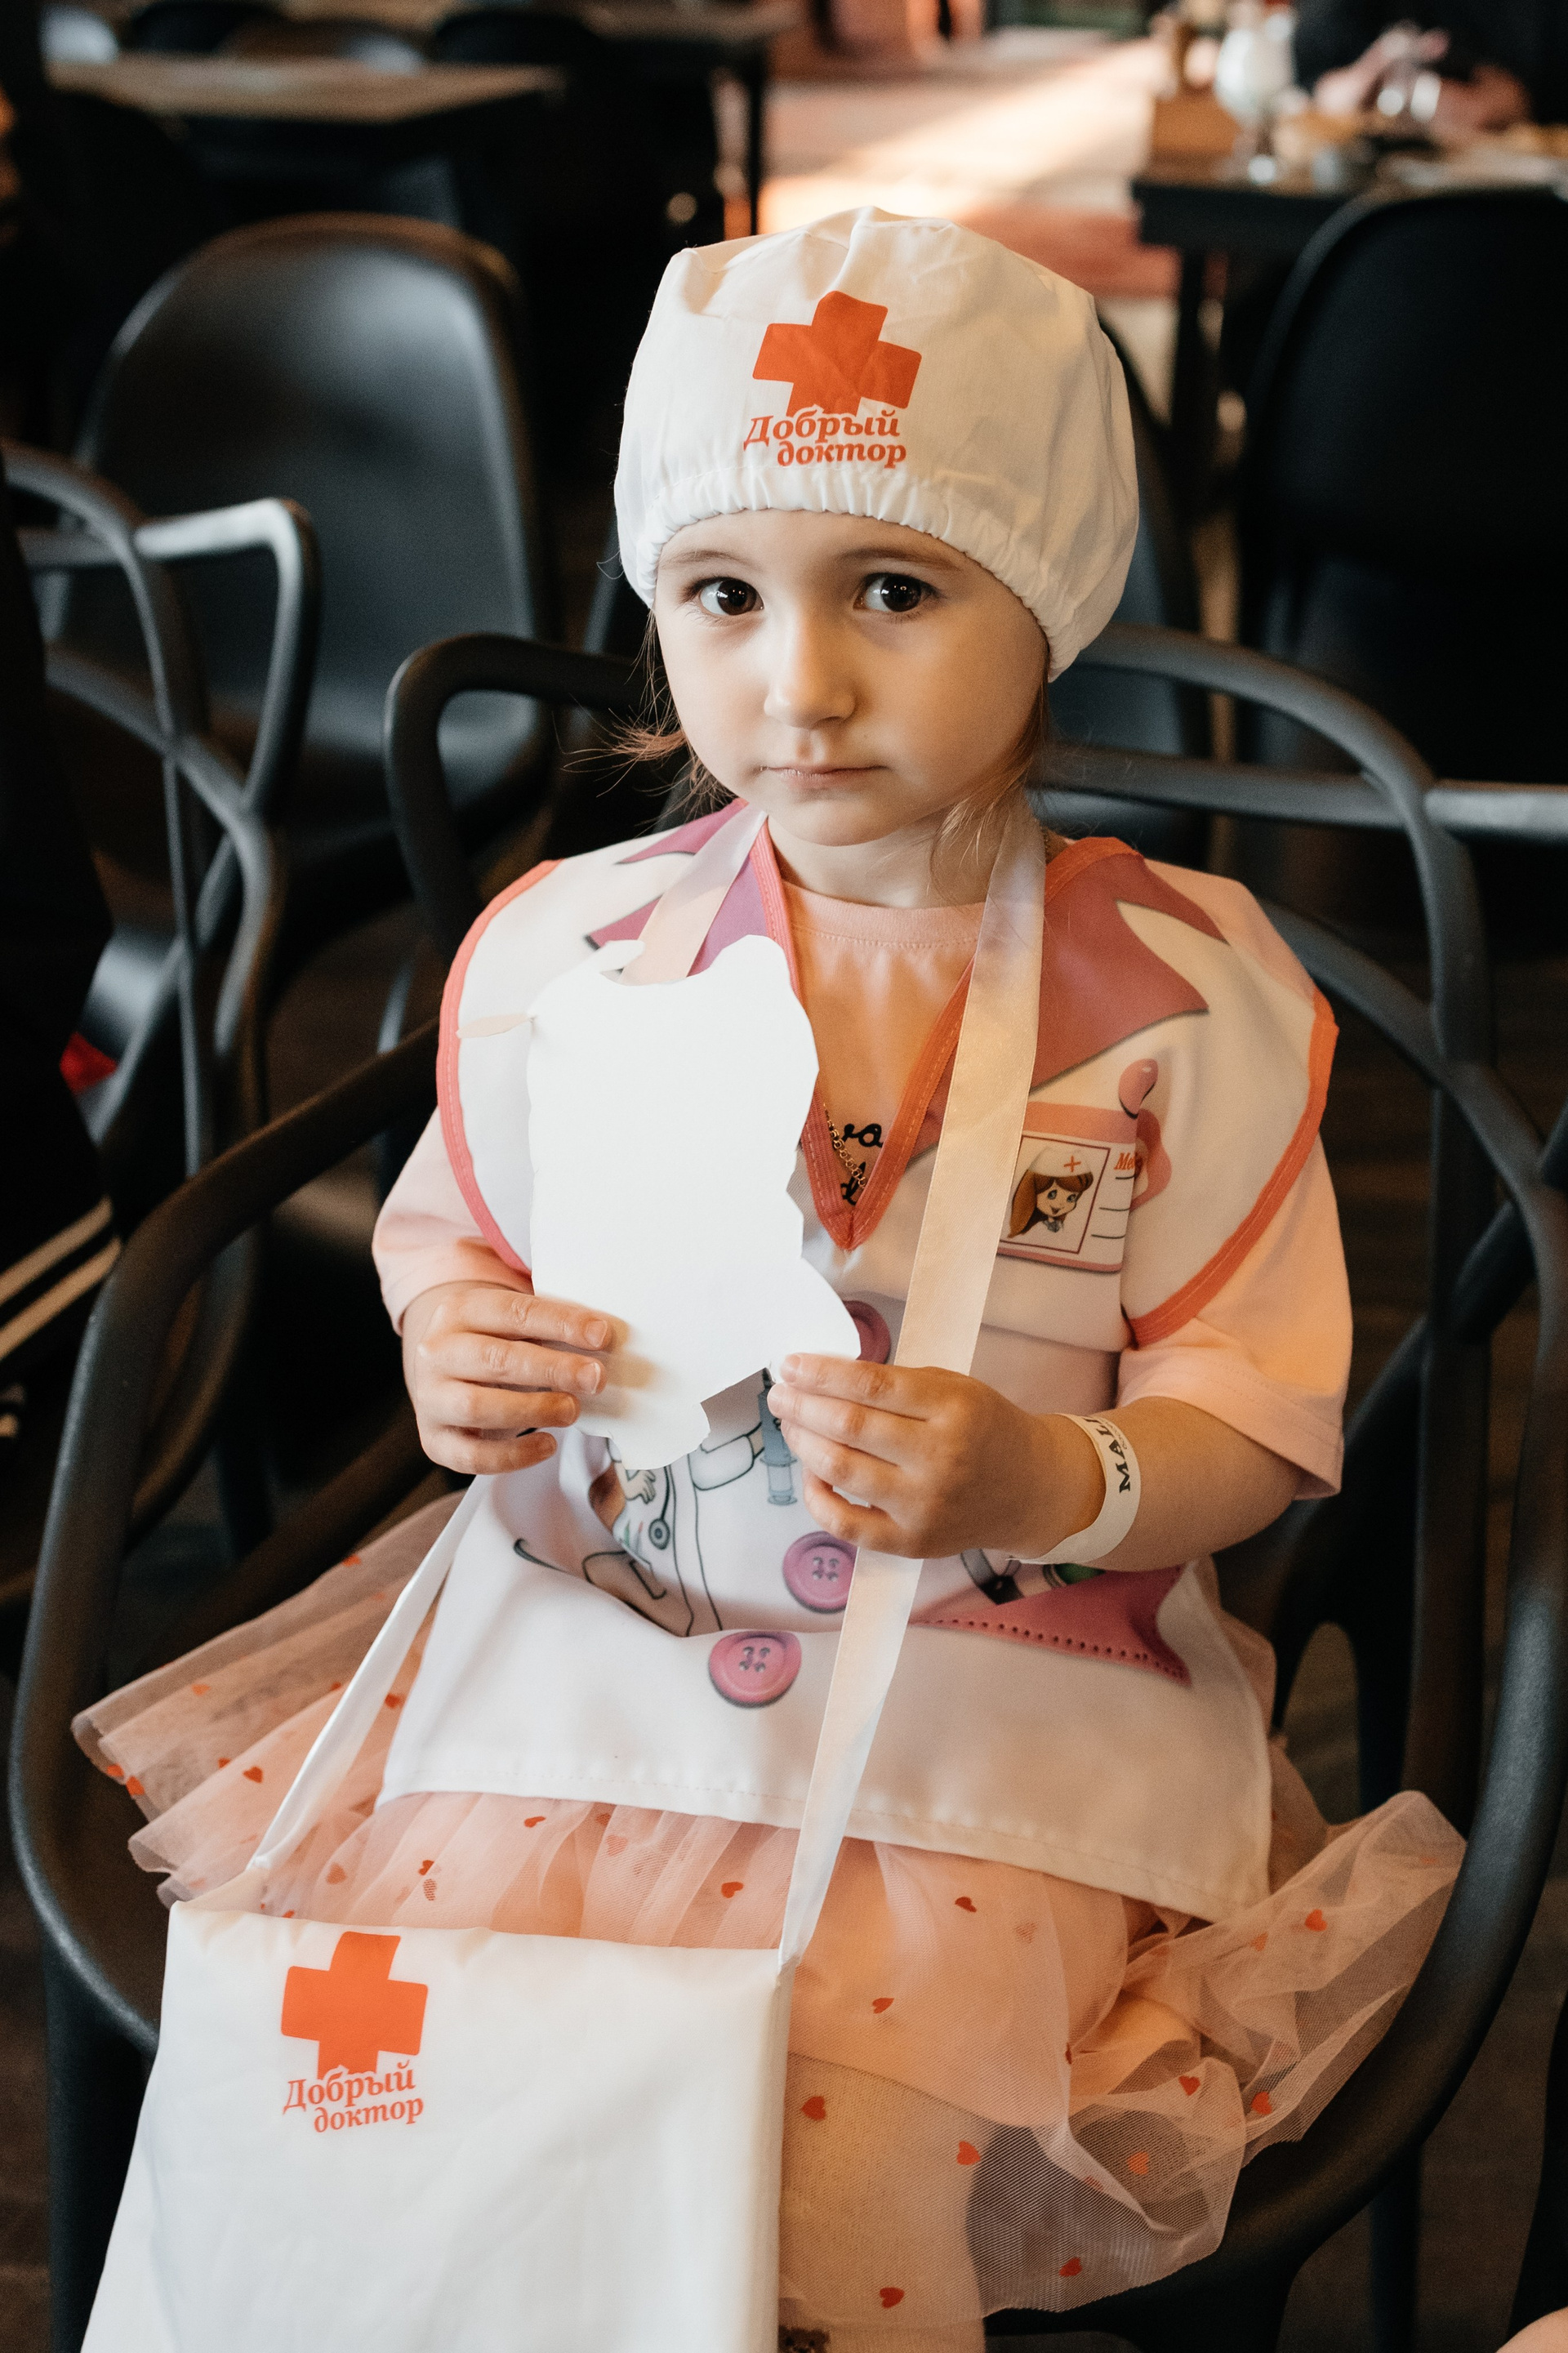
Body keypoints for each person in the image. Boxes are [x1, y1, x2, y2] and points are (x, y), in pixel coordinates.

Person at [75, 209, 1463, 2349]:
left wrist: (1054, 1474)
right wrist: (455, 1352)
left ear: (1049, 598)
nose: (796, 684)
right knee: (431, 2081)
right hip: (585, 1664)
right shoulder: (576, 949)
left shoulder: (1182, 999)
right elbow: (458, 1246)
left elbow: (1255, 1416)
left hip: (997, 1716)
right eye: (722, 596)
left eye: (893, 591)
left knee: (819, 2146)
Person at [1294, 0, 1568, 136]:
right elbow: (1319, 87)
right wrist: (1379, 66)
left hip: (1518, 189)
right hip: (1369, 192)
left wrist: (1512, 101)